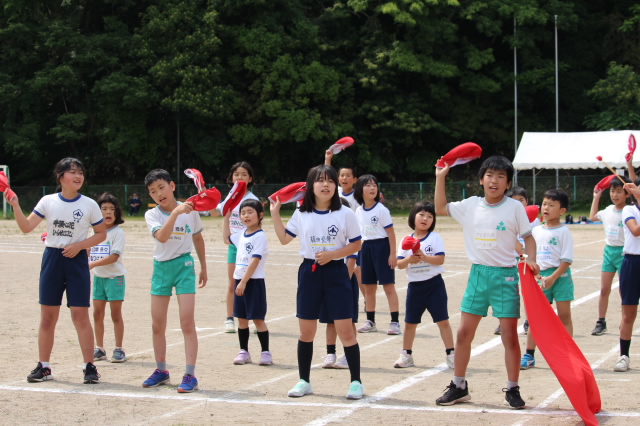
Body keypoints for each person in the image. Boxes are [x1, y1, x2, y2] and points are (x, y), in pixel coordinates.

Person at [434, 155, 538, 409]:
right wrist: (440, 177)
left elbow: (529, 238)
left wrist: (532, 260)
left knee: (510, 337)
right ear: (481, 180)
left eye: (501, 177)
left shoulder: (514, 208)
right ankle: (459, 385)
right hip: (478, 275)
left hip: (506, 276)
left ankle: (513, 389)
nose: (494, 181)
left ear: (507, 183)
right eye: (490, 175)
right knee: (463, 334)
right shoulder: (471, 205)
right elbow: (440, 208)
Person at [5, 157, 106, 384]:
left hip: (77, 260)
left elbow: (101, 234)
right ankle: (44, 366)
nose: (78, 176)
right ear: (60, 176)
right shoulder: (48, 201)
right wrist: (15, 205)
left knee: (80, 315)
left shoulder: (89, 204)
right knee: (48, 317)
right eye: (72, 172)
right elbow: (26, 227)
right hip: (52, 258)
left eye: (80, 172)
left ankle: (89, 366)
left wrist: (80, 245)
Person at [271, 164, 364, 399]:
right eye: (320, 180)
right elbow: (284, 239)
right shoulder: (301, 213)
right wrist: (274, 213)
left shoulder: (345, 213)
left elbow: (356, 244)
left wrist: (333, 255)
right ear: (310, 186)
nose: (326, 184)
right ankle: (304, 381)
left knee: (346, 331)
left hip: (336, 273)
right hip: (309, 273)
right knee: (306, 332)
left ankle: (356, 382)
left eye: (330, 181)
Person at [142, 169, 208, 393]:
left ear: (171, 186)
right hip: (161, 268)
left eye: (161, 187)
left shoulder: (190, 210)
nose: (158, 194)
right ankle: (161, 370)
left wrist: (204, 267)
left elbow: (198, 237)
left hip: (184, 267)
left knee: (187, 322)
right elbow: (161, 236)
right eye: (153, 191)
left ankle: (190, 374)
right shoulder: (152, 215)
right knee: (157, 324)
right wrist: (176, 213)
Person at [394, 201, 455, 369]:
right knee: (410, 323)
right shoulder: (406, 240)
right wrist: (409, 259)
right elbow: (400, 264)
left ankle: (451, 354)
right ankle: (406, 355)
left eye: (429, 216)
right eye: (421, 214)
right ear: (413, 216)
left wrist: (424, 257)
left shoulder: (435, 238)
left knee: (443, 321)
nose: (425, 218)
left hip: (434, 285)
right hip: (415, 287)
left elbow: (440, 259)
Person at [520, 189, 574, 370]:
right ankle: (529, 354)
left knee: (564, 315)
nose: (546, 208)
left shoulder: (564, 231)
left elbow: (567, 260)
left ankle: (568, 354)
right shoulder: (534, 230)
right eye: (544, 204)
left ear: (562, 211)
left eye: (552, 205)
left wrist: (553, 277)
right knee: (536, 318)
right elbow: (526, 253)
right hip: (540, 277)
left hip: (560, 277)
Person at [210, 161, 259, 333]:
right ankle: (230, 318)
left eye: (244, 174)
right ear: (231, 177)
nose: (240, 177)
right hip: (233, 247)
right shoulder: (229, 198)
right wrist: (204, 199)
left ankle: (254, 317)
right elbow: (214, 212)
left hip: (251, 248)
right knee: (233, 283)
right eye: (236, 174)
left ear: (250, 178)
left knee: (252, 283)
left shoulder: (253, 200)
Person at [223, 199, 272, 366]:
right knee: (242, 320)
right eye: (243, 213)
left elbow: (255, 261)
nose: (246, 216)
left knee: (258, 319)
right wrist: (226, 219)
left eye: (250, 212)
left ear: (260, 215)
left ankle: (265, 352)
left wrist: (243, 282)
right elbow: (226, 239)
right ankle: (244, 351)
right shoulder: (241, 234)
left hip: (253, 282)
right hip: (240, 281)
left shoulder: (260, 236)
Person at [353, 174, 399, 335]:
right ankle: (370, 321)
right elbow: (359, 234)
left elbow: (391, 234)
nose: (372, 188)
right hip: (366, 249)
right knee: (369, 287)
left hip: (382, 247)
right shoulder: (358, 211)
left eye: (374, 185)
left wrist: (393, 254)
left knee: (388, 286)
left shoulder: (381, 210)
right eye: (368, 185)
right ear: (360, 189)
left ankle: (395, 322)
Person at [589, 175, 631, 336]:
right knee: (604, 289)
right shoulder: (607, 211)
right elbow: (593, 217)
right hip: (609, 252)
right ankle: (601, 321)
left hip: (624, 253)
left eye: (619, 191)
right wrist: (596, 197)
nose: (614, 195)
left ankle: (625, 320)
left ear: (627, 194)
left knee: (624, 291)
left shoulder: (629, 211)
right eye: (612, 191)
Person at [494, 186, 539, 336]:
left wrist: (528, 256)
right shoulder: (504, 219)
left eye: (522, 200)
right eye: (515, 201)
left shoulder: (534, 221)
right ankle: (503, 322)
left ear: (527, 202)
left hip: (526, 261)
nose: (519, 204)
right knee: (507, 293)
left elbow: (534, 240)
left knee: (528, 292)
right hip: (508, 261)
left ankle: (529, 321)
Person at [321, 198, 359, 370]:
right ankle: (330, 353)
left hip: (345, 283)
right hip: (329, 282)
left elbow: (351, 264)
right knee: (330, 321)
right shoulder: (327, 238)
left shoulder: (350, 241)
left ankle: (347, 354)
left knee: (348, 321)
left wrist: (343, 282)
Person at [90, 192, 127, 363]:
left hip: (114, 278)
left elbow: (114, 257)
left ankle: (119, 349)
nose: (108, 212)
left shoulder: (118, 233)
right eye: (104, 209)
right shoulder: (94, 233)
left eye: (112, 209)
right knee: (97, 314)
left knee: (115, 314)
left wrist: (91, 265)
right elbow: (86, 252)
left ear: (117, 213)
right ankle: (100, 349)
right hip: (99, 279)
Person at [613, 179, 640, 372]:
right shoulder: (629, 211)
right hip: (632, 262)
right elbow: (636, 231)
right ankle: (624, 356)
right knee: (628, 313)